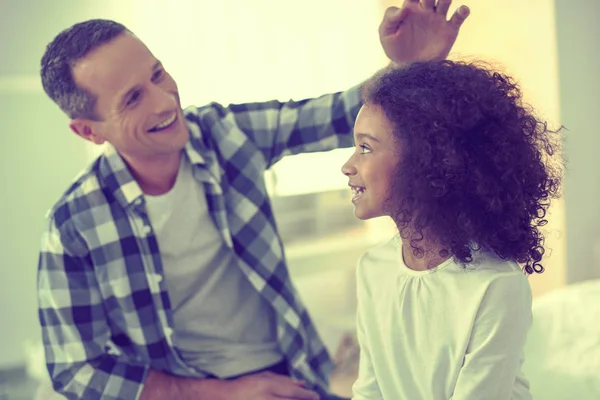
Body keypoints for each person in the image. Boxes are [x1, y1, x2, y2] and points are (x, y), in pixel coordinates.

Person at [36, 1, 470, 399]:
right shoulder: (75, 224)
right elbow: (75, 369)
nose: (165, 99)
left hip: (294, 376)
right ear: (89, 131)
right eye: (132, 98)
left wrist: (410, 67)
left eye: (157, 74)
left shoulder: (222, 135)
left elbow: (331, 115)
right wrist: (226, 393)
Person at [341, 60, 564, 399]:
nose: (347, 166)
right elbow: (369, 390)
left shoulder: (494, 285)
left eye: (365, 148)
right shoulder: (373, 269)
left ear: (423, 161)